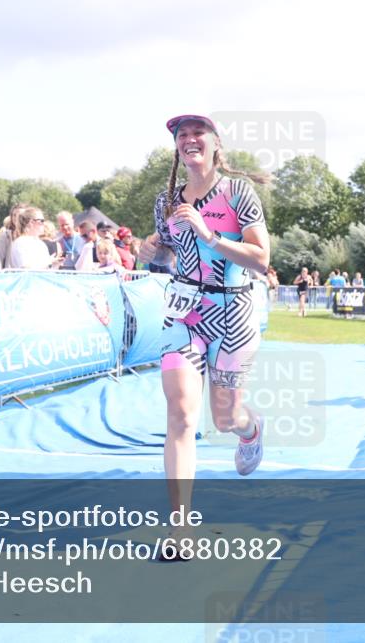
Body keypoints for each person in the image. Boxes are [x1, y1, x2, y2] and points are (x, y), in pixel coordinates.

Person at [137, 114, 271, 558]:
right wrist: (149, 249)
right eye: (181, 135)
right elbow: (166, 246)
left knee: (225, 417)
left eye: (198, 134)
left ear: (216, 144)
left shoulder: (238, 194)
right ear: (177, 147)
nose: (189, 140)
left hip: (234, 310)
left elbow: (259, 258)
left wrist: (209, 233)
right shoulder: (168, 200)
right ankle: (180, 531)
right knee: (180, 415)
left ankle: (250, 430)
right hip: (184, 312)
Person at [0, 203, 27, 271]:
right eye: (14, 215)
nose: (17, 218)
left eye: (20, 215)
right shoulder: (5, 236)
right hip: (11, 276)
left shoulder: (32, 236)